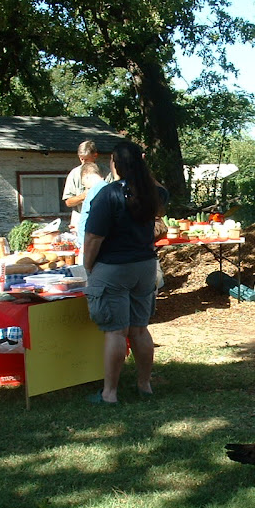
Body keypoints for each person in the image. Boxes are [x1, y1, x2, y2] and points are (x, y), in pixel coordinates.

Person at [83, 141, 169, 404]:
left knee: (116, 332)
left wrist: (88, 266)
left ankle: (109, 393)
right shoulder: (152, 193)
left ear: (115, 164)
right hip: (145, 266)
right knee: (140, 330)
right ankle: (145, 386)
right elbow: (162, 199)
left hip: (114, 268)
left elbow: (94, 238)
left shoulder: (108, 194)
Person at [63, 140, 107, 241]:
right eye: (81, 159)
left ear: (95, 156)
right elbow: (68, 202)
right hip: (80, 220)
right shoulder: (74, 174)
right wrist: (83, 196)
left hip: (101, 218)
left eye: (86, 160)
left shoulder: (106, 172)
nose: (83, 163)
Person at [76, 162, 109, 239]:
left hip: (90, 242)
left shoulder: (93, 191)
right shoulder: (109, 188)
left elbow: (91, 220)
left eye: (84, 183)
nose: (85, 187)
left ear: (86, 176)